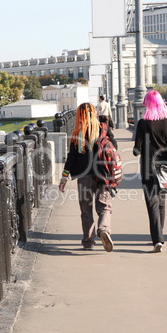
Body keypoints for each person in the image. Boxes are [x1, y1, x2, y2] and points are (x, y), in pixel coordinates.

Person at [59, 102, 117, 252]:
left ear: (79, 115)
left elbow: (71, 159)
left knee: (86, 210)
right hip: (103, 175)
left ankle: (88, 241)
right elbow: (114, 148)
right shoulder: (104, 128)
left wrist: (64, 179)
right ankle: (104, 229)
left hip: (84, 177)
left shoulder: (77, 134)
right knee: (105, 207)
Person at [133, 90, 167, 253]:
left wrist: (138, 150)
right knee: (161, 202)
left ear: (147, 104)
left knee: (152, 203)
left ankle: (157, 239)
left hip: (148, 168)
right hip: (165, 167)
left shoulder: (142, 123)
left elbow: (136, 148)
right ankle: (159, 236)